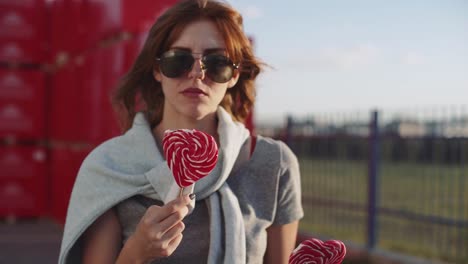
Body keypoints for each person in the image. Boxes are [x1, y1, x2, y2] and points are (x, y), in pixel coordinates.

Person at [59, 0, 303, 263]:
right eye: (179, 60)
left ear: (234, 75)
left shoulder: (274, 163)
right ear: (157, 69)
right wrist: (136, 252)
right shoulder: (108, 166)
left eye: (217, 62)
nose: (197, 73)